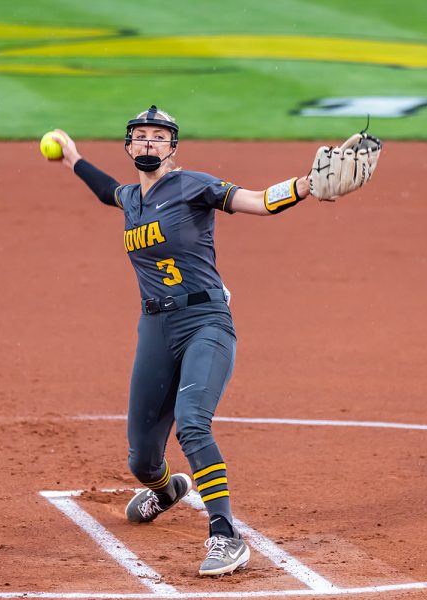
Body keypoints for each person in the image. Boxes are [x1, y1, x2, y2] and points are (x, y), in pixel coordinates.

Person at [49, 106, 379, 577]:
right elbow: (107, 192)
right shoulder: (131, 198)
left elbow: (260, 201)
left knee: (191, 423)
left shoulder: (194, 186)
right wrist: (74, 158)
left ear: (172, 148)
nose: (147, 144)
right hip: (156, 330)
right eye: (139, 136)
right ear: (128, 146)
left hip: (206, 321)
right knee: (142, 459)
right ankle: (166, 490)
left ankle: (225, 535)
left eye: (157, 137)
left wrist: (306, 185)